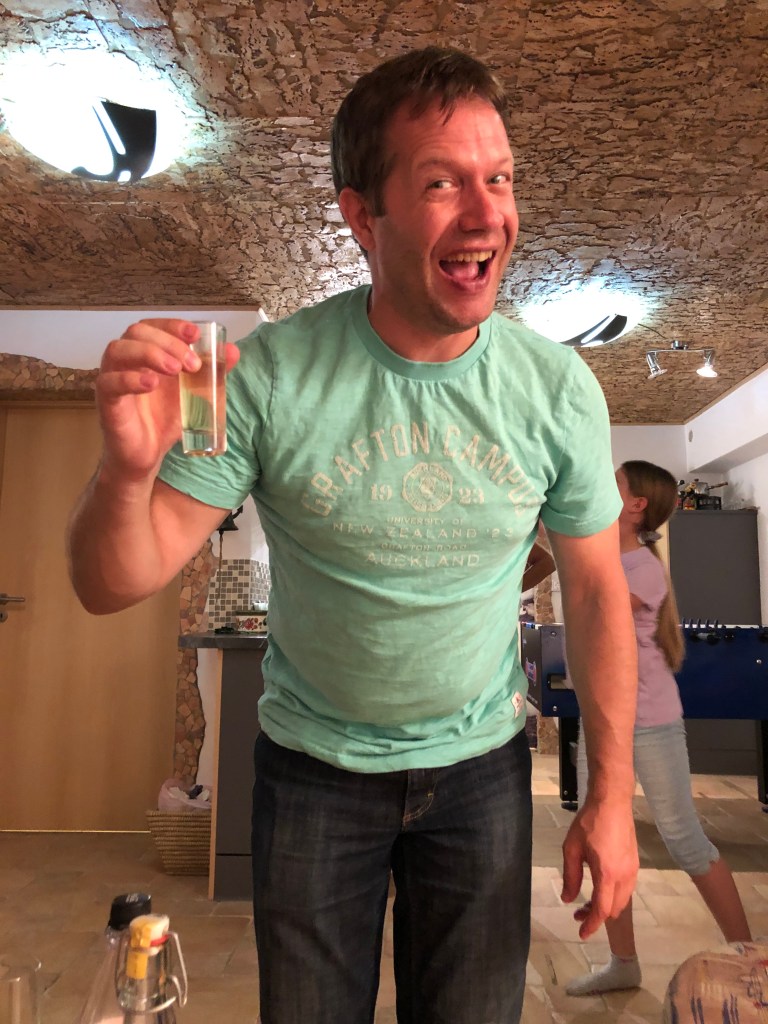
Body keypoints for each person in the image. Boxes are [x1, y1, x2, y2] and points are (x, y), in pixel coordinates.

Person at [67, 46, 640, 1024]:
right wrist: (125, 471)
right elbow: (113, 579)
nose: (487, 212)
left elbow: (594, 591)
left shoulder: (557, 389)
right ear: (363, 216)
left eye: (499, 178)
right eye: (443, 182)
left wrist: (613, 795)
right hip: (313, 774)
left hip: (482, 770)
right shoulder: (265, 374)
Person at [566, 459, 752, 997]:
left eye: (613, 484)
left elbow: (594, 613)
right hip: (604, 723)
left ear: (636, 505)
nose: (602, 488)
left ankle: (750, 956)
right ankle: (623, 963)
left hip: (650, 723)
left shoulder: (642, 568)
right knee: (603, 842)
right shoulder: (609, 558)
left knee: (685, 841)